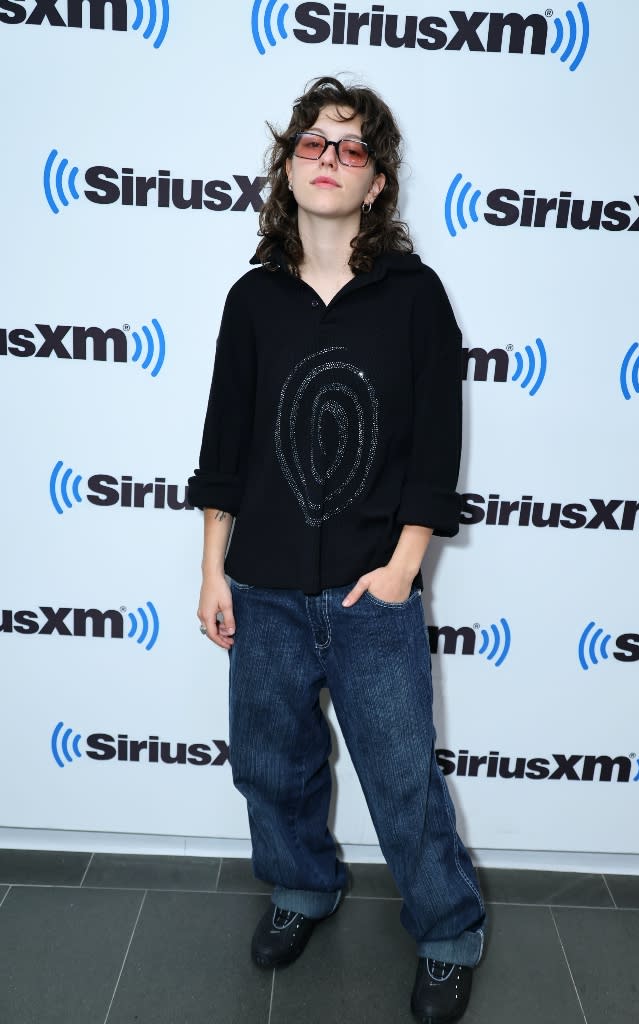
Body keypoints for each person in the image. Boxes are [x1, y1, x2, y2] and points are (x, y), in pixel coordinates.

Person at [188, 76, 486, 1024]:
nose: (329, 158)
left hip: (373, 591)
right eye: (314, 142)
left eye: (351, 149)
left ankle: (446, 933)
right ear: (287, 165)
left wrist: (402, 569)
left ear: (378, 184)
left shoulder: (414, 297)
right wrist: (212, 570)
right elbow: (223, 446)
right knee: (270, 763)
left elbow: (435, 444)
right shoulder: (253, 300)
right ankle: (300, 889)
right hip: (263, 585)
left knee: (400, 774)